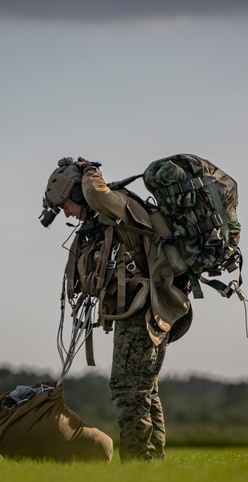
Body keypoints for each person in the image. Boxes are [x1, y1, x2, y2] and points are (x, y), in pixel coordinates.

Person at [41, 157, 193, 462]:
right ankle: (152, 465)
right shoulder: (104, 218)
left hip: (143, 311)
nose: (67, 212)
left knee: (127, 389)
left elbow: (96, 194)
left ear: (77, 193)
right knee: (144, 389)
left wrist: (88, 171)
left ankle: (138, 463)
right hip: (148, 311)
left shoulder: (114, 203)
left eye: (65, 204)